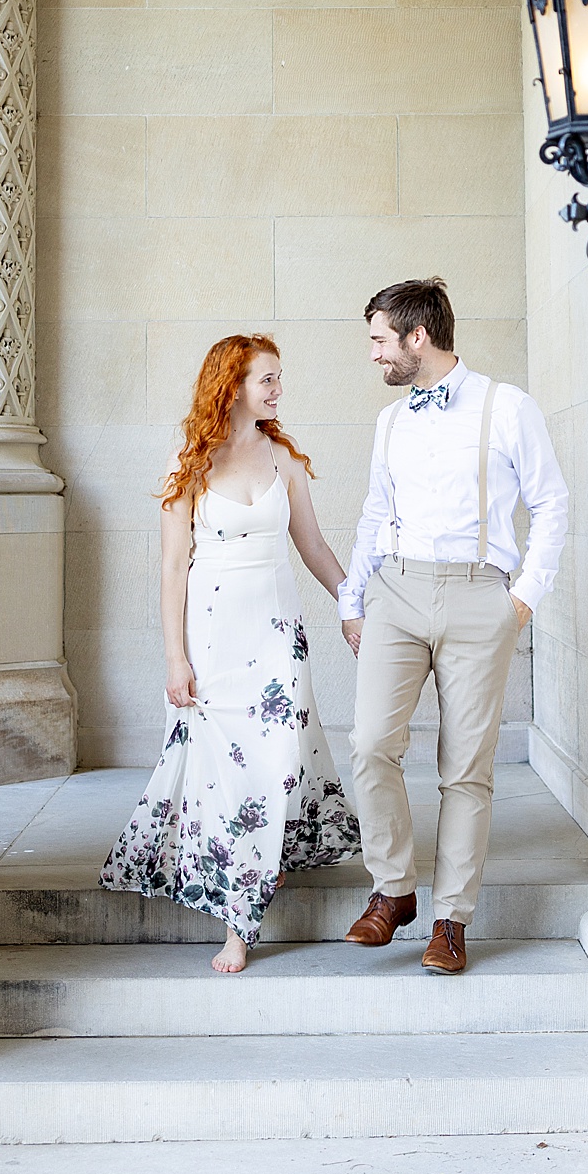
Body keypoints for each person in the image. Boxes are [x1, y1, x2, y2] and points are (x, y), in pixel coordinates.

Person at [101, 335, 362, 973]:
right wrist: (175, 659)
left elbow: (315, 547)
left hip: (277, 643)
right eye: (267, 379)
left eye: (279, 377)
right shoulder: (189, 462)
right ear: (233, 386)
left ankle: (247, 909)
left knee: (273, 767)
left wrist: (351, 608)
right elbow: (171, 567)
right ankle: (236, 919)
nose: (278, 389)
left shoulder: (286, 462)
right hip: (212, 644)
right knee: (226, 778)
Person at [338, 278, 568, 974]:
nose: (374, 354)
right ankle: (394, 891)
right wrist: (354, 597)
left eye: (381, 340)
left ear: (417, 337)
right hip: (398, 591)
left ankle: (451, 920)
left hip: (479, 597)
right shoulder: (391, 421)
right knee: (371, 743)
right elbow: (377, 511)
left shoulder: (508, 407)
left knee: (465, 768)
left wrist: (522, 598)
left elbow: (552, 503)